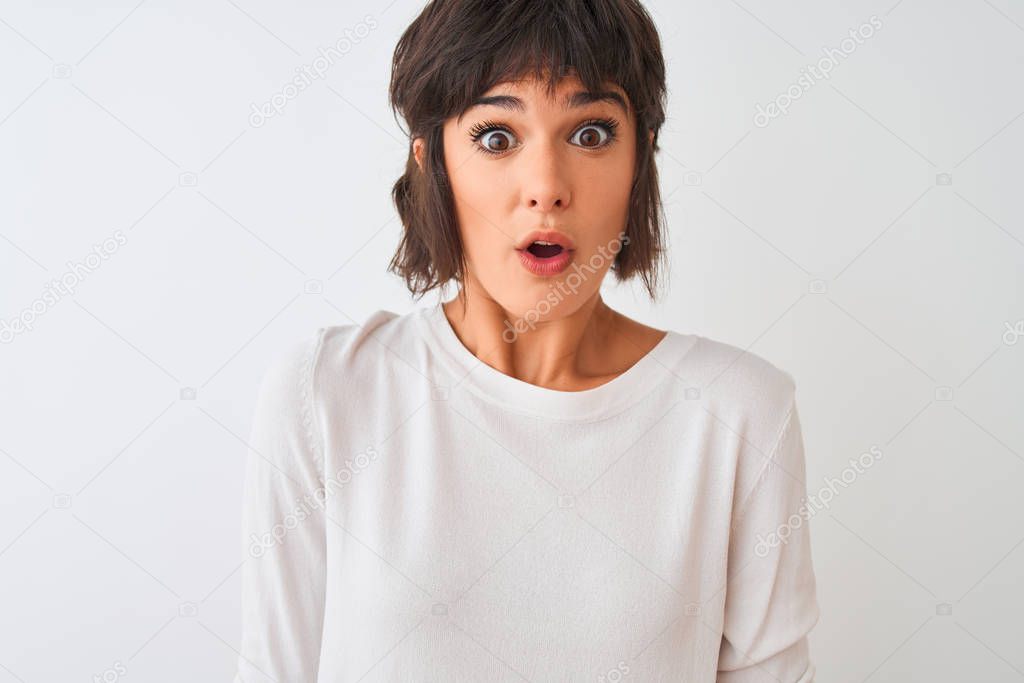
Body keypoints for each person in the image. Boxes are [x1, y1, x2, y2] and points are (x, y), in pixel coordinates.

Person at [235, 1, 820, 681]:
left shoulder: (740, 414)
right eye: (495, 137)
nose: (546, 187)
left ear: (643, 158)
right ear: (432, 164)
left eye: (592, 133)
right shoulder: (327, 393)